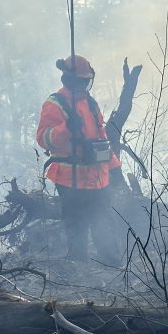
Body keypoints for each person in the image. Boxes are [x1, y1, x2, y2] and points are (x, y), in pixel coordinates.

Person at [36, 55, 121, 263]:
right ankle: (78, 266)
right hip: (69, 177)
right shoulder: (55, 103)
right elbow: (44, 138)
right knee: (76, 224)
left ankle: (111, 263)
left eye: (87, 80)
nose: (85, 84)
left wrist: (114, 168)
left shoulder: (90, 104)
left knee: (103, 220)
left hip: (97, 176)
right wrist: (66, 129)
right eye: (81, 80)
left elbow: (102, 139)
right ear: (70, 80)